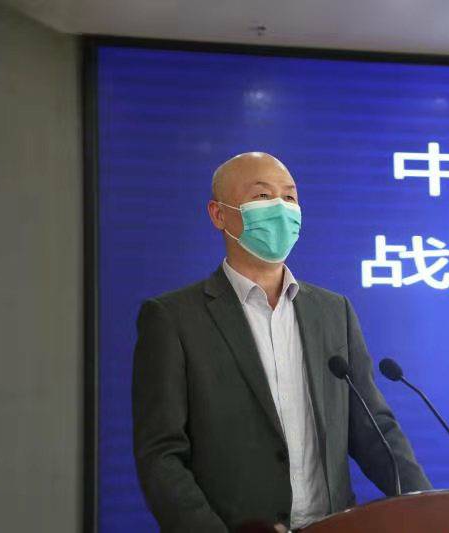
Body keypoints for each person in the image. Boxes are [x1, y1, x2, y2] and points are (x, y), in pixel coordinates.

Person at [132, 152, 431, 532]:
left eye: (289, 197)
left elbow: (374, 432)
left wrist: (432, 511)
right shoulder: (173, 318)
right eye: (261, 196)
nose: (280, 208)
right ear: (218, 214)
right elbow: (161, 455)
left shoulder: (333, 311)